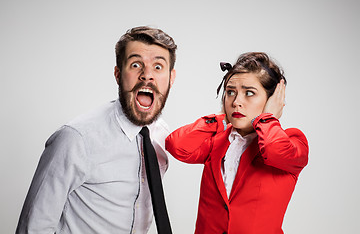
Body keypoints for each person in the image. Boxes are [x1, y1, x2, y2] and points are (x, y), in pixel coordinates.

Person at [16, 26, 177, 234]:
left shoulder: (162, 136)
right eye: (136, 65)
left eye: (158, 67)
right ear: (118, 74)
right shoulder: (76, 139)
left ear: (171, 78)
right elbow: (33, 226)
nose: (147, 76)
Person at [165, 52, 309, 234]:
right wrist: (222, 120)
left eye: (249, 93)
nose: (236, 102)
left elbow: (274, 150)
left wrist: (267, 118)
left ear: (272, 100)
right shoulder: (216, 141)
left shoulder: (293, 141)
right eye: (230, 92)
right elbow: (176, 145)